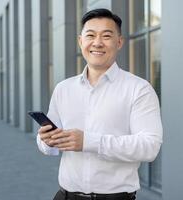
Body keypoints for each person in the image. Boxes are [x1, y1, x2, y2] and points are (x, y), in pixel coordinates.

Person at [37, 8, 162, 200]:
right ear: (81, 42)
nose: (97, 42)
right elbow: (51, 146)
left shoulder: (139, 89)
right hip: (66, 196)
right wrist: (46, 140)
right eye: (90, 35)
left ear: (119, 42)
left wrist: (89, 142)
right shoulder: (64, 88)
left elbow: (149, 146)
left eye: (106, 36)